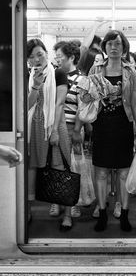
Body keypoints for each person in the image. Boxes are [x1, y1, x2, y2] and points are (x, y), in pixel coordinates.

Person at [74, 30, 136, 232]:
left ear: (124, 48)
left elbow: (134, 103)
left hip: (123, 125)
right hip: (102, 126)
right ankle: (103, 214)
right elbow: (85, 98)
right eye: (110, 44)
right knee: (101, 172)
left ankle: (124, 214)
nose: (114, 47)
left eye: (118, 44)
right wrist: (81, 122)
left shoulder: (130, 71)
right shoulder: (95, 69)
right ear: (104, 47)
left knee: (124, 173)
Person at [27, 38, 71, 228]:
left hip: (56, 124)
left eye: (39, 54)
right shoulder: (27, 76)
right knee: (31, 169)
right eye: (31, 57)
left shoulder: (59, 73)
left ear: (46, 53)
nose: (36, 60)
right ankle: (26, 212)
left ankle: (67, 214)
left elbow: (59, 104)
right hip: (34, 126)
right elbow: (26, 106)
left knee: (61, 167)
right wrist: (36, 86)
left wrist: (54, 131)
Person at [53, 40, 82, 228]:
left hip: (72, 127)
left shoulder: (82, 79)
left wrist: (78, 130)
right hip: (56, 126)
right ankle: (56, 200)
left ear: (71, 58)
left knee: (71, 170)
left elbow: (82, 107)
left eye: (60, 57)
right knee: (56, 168)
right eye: (55, 57)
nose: (56, 61)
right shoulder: (54, 75)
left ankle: (69, 212)